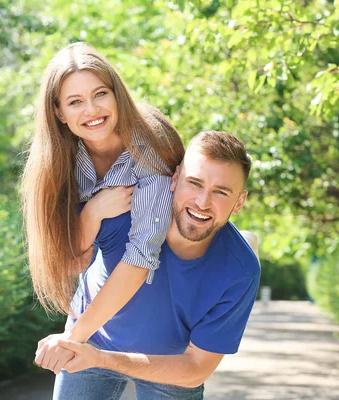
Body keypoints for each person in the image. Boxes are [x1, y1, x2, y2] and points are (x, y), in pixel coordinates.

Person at [38, 130, 261, 399]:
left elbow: (196, 369)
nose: (203, 202)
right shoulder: (124, 206)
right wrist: (92, 213)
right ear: (175, 178)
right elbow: (60, 264)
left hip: (168, 363)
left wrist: (103, 359)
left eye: (221, 192)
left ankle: (247, 238)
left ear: (239, 202)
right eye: (195, 183)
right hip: (91, 337)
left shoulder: (241, 270)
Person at [21, 42, 185, 370]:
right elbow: (67, 263)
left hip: (162, 328)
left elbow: (142, 255)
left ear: (116, 94)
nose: (91, 111)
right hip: (94, 314)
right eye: (75, 102)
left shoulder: (151, 144)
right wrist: (92, 213)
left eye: (100, 94)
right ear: (59, 112)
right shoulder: (55, 163)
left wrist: (73, 339)